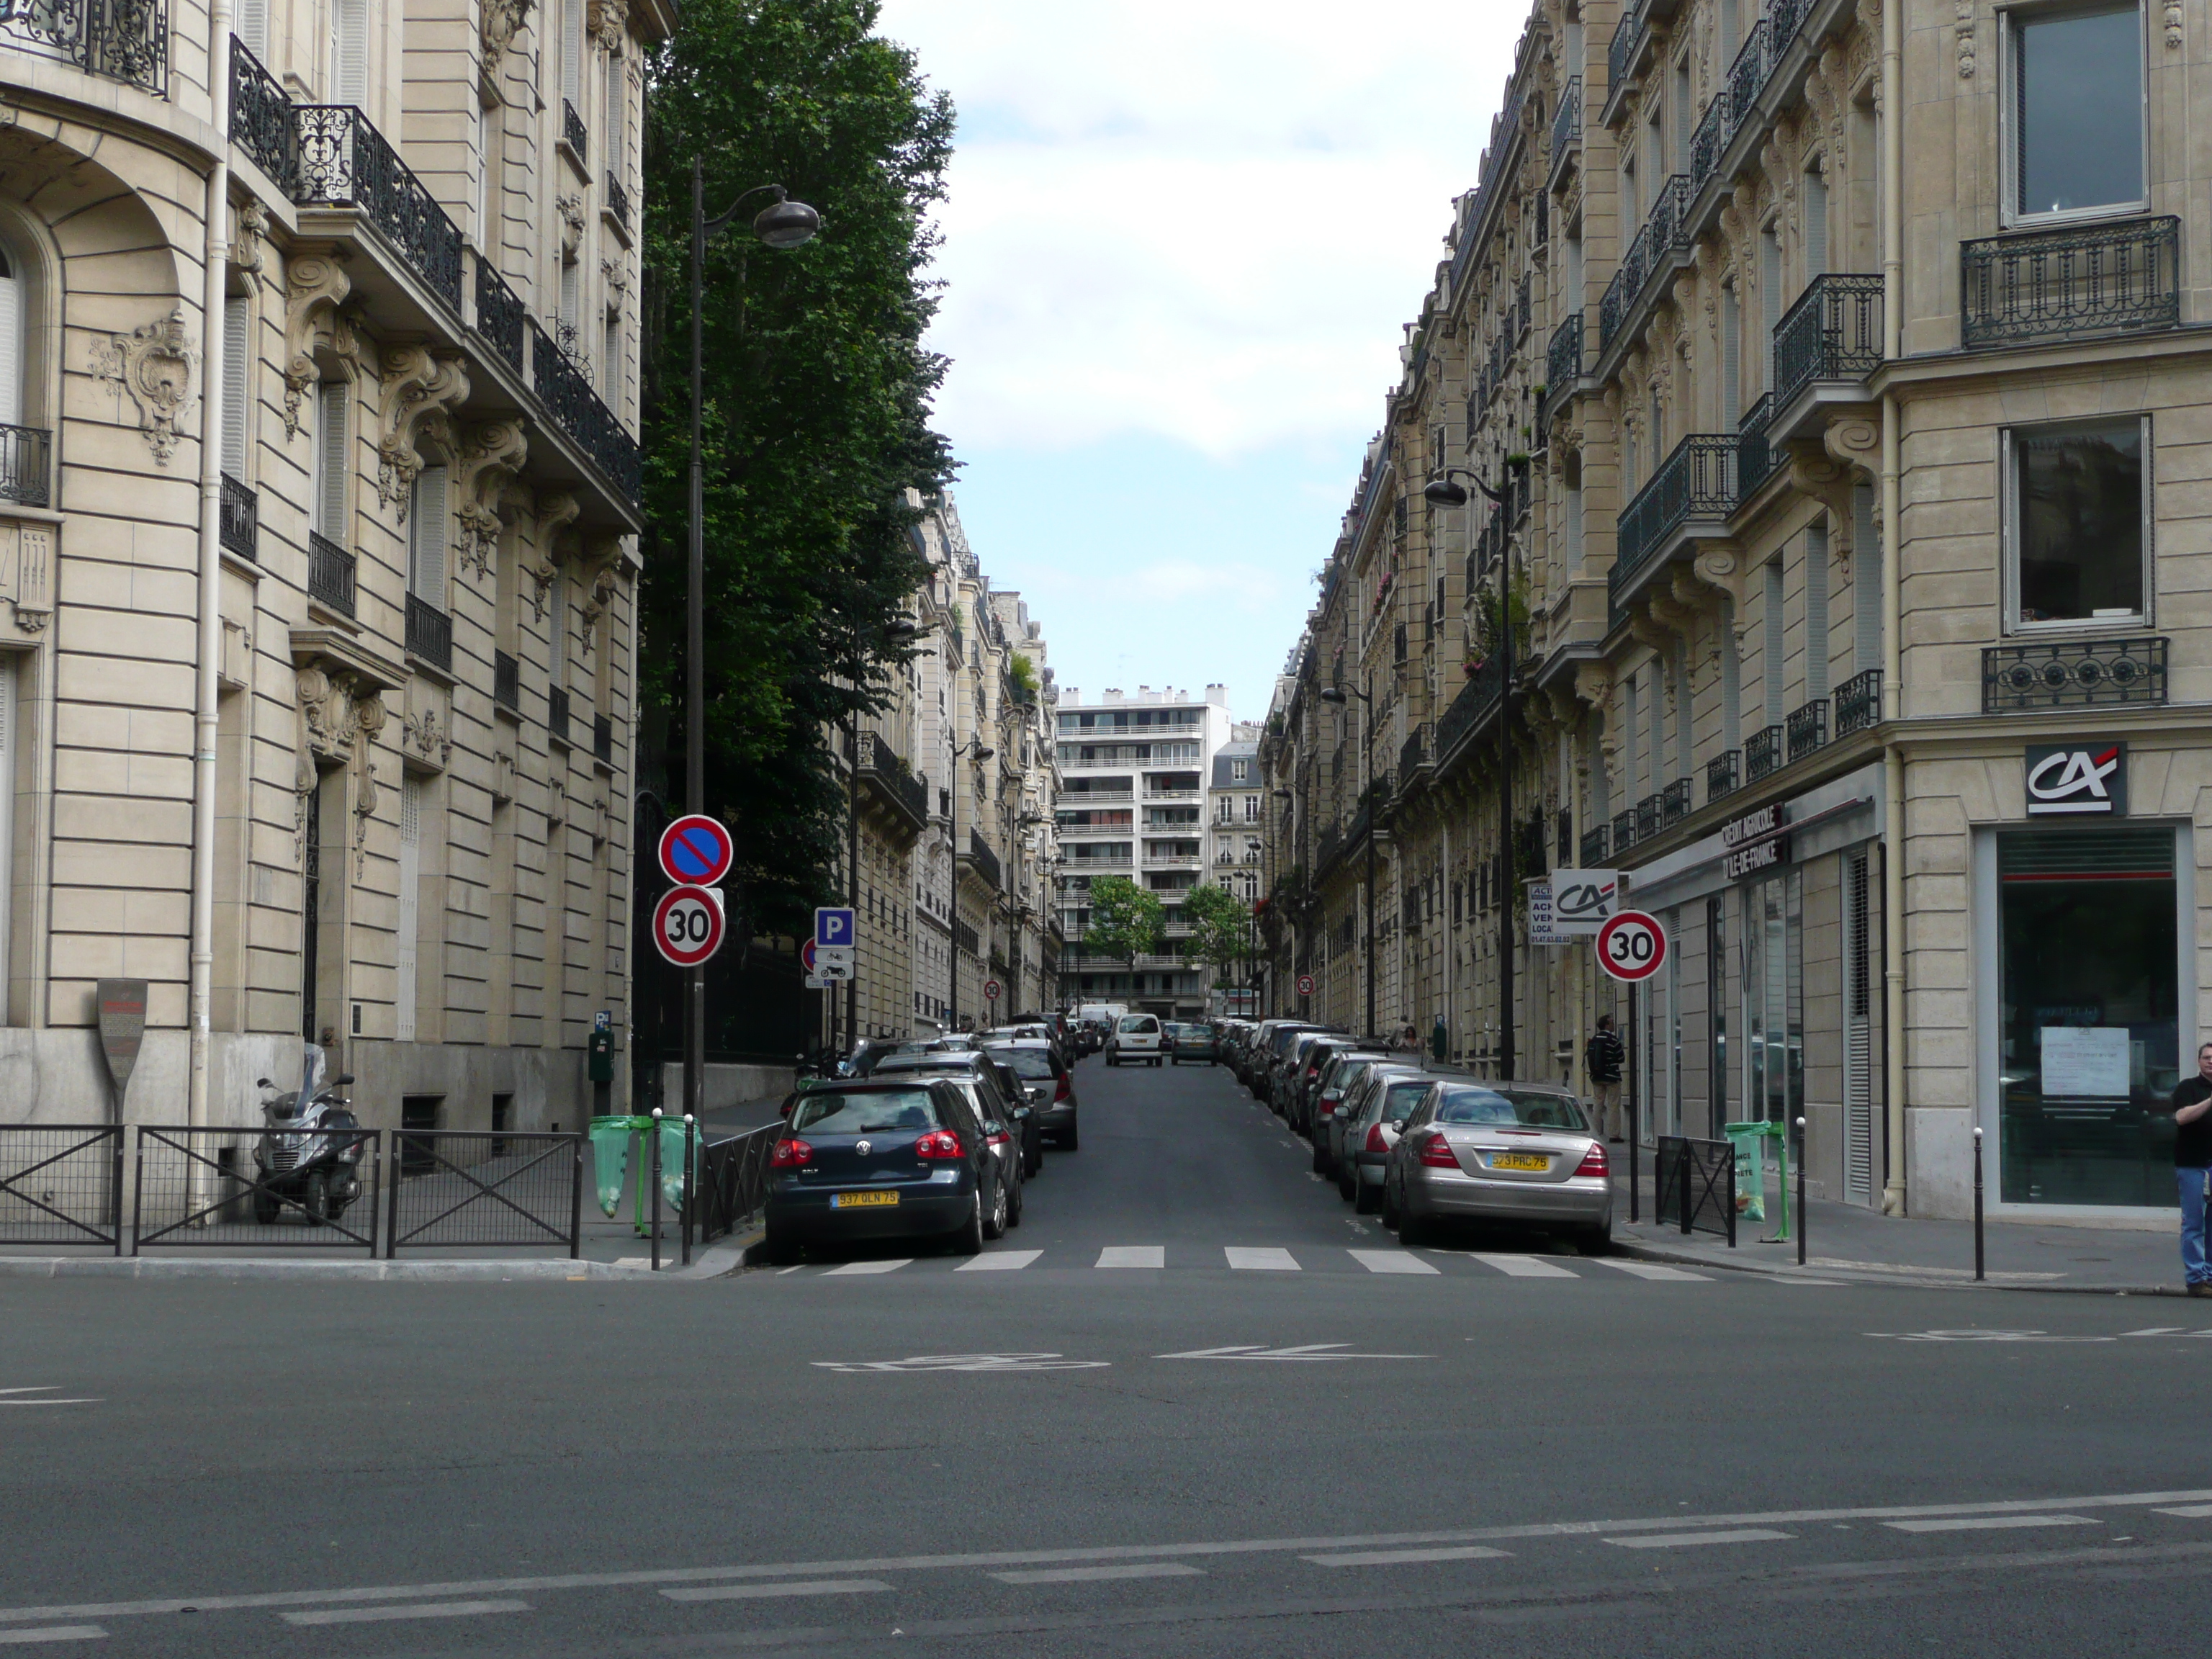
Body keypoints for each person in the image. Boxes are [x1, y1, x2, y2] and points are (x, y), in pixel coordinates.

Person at [2173, 1042, 2212, 1295]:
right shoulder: (2188, 1087)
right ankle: (2196, 1279)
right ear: (2199, 1061)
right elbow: (2182, 1117)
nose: (2211, 1061)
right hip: (2193, 1165)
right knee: (2194, 1223)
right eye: (2207, 1057)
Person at [1586, 1014, 1626, 1142]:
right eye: (1612, 1022)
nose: (1613, 1024)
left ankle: (1596, 1133)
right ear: (1607, 1025)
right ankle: (1614, 1135)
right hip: (1612, 1077)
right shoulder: (1613, 1040)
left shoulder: (1594, 1039)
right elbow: (1621, 1058)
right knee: (1613, 1105)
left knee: (1598, 1104)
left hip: (1596, 1077)